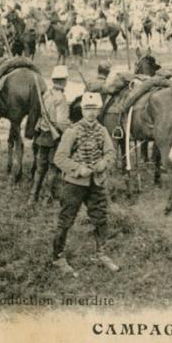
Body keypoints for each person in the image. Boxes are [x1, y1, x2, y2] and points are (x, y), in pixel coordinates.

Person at [52, 92, 119, 275]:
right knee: (66, 220)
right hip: (74, 184)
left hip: (96, 183)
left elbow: (110, 153)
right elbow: (59, 158)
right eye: (87, 109)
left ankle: (100, 253)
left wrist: (103, 164)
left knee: (101, 218)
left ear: (98, 110)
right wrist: (78, 169)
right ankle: (58, 257)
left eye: (94, 109)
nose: (91, 113)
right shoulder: (72, 131)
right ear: (82, 110)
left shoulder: (102, 131)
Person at [31, 65, 71, 206]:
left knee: (40, 167)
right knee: (53, 167)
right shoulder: (61, 98)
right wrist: (70, 129)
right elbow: (61, 122)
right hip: (55, 137)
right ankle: (47, 198)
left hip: (43, 134)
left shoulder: (46, 94)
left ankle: (33, 196)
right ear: (63, 81)